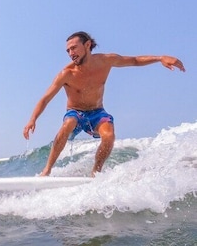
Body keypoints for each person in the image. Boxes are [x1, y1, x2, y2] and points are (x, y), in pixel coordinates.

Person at [23, 31, 186, 177]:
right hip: (75, 112)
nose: (70, 53)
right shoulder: (67, 74)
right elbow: (46, 98)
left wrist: (160, 58)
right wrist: (33, 119)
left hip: (97, 112)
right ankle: (47, 170)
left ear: (87, 45)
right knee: (68, 123)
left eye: (74, 48)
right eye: (68, 50)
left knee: (109, 135)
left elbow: (135, 61)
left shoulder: (106, 61)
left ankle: (96, 173)